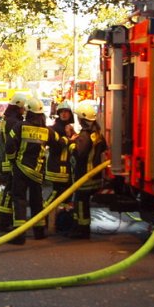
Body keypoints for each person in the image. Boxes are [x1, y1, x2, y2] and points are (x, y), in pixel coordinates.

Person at [7, 97, 52, 244]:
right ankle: (39, 231)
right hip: (37, 172)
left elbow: (9, 144)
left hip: (21, 168)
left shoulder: (20, 126)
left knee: (19, 200)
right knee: (36, 201)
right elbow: (58, 141)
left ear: (28, 112)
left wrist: (13, 159)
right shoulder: (46, 130)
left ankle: (19, 235)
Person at [70, 101, 108, 239]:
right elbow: (103, 147)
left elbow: (79, 153)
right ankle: (80, 227)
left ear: (81, 119)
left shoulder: (85, 135)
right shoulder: (97, 133)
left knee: (80, 202)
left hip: (85, 175)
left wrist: (71, 145)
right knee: (81, 202)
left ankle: (82, 230)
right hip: (95, 175)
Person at [0, 92, 28, 233]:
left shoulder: (8, 119)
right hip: (11, 161)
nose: (24, 110)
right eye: (23, 108)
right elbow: (14, 142)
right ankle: (5, 222)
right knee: (10, 192)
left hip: (7, 160)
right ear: (18, 106)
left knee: (9, 191)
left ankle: (5, 220)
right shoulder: (13, 122)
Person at [45, 100, 77, 213]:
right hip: (57, 168)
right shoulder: (55, 129)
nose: (64, 114)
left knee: (66, 196)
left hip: (65, 169)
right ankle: (43, 215)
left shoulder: (69, 128)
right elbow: (57, 146)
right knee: (57, 194)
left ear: (70, 114)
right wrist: (69, 138)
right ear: (58, 113)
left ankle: (61, 220)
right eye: (62, 112)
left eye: (66, 112)